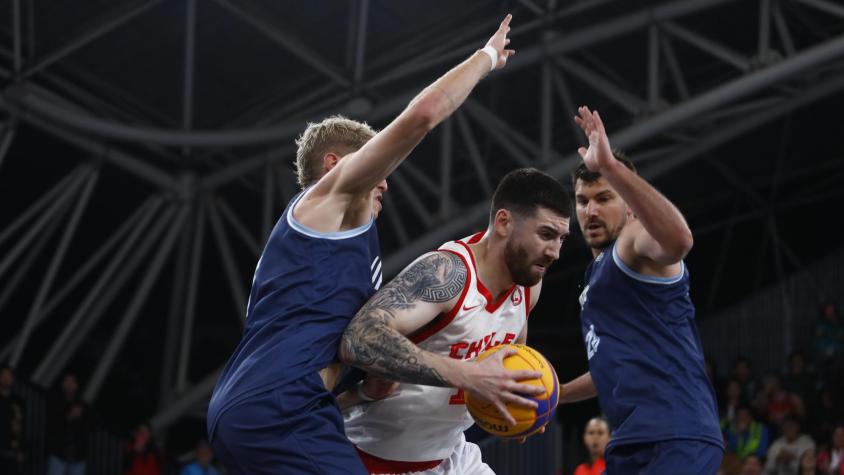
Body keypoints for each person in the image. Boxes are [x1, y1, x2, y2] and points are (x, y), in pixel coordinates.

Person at [207, 14, 520, 475]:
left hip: (276, 404)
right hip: (278, 406)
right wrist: (487, 57)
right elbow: (422, 116)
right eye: (378, 171)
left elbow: (314, 353)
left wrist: (362, 392)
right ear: (335, 164)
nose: (386, 185)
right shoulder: (328, 200)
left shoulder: (327, 244)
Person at [339, 168, 571, 474]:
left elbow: (514, 357)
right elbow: (358, 337)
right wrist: (468, 375)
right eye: (546, 234)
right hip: (371, 456)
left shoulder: (528, 285)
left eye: (562, 239)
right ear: (504, 222)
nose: (555, 252)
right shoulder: (448, 272)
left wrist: (520, 403)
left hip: (452, 456)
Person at [557, 106, 723, 474]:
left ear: (630, 206)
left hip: (676, 433)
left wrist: (612, 169)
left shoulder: (633, 243)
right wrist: (561, 394)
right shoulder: (595, 277)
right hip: (631, 440)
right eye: (583, 201)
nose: (590, 211)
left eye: (604, 198)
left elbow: (679, 240)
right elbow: (610, 361)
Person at [46, 373, 91, 475]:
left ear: (77, 385)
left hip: (78, 455)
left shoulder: (82, 404)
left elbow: (92, 425)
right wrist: (69, 416)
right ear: (62, 384)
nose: (70, 384)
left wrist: (81, 417)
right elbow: (51, 424)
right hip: (58, 453)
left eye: (72, 382)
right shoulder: (54, 401)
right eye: (67, 381)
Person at [0, 365, 25, 475]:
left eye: (9, 376)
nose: (6, 378)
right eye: (3, 375)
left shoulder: (18, 401)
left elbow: (23, 426)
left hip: (12, 452)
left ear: (13, 379)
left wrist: (22, 450)